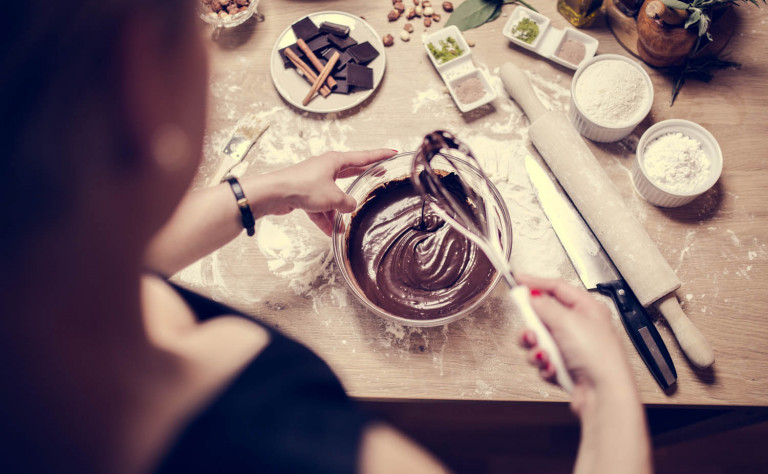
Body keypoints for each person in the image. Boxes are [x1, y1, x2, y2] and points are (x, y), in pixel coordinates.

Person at [0, 1, 652, 473]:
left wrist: (261, 190)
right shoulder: (297, 448)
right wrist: (613, 399)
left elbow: (128, 257)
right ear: (136, 72)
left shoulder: (47, 290)